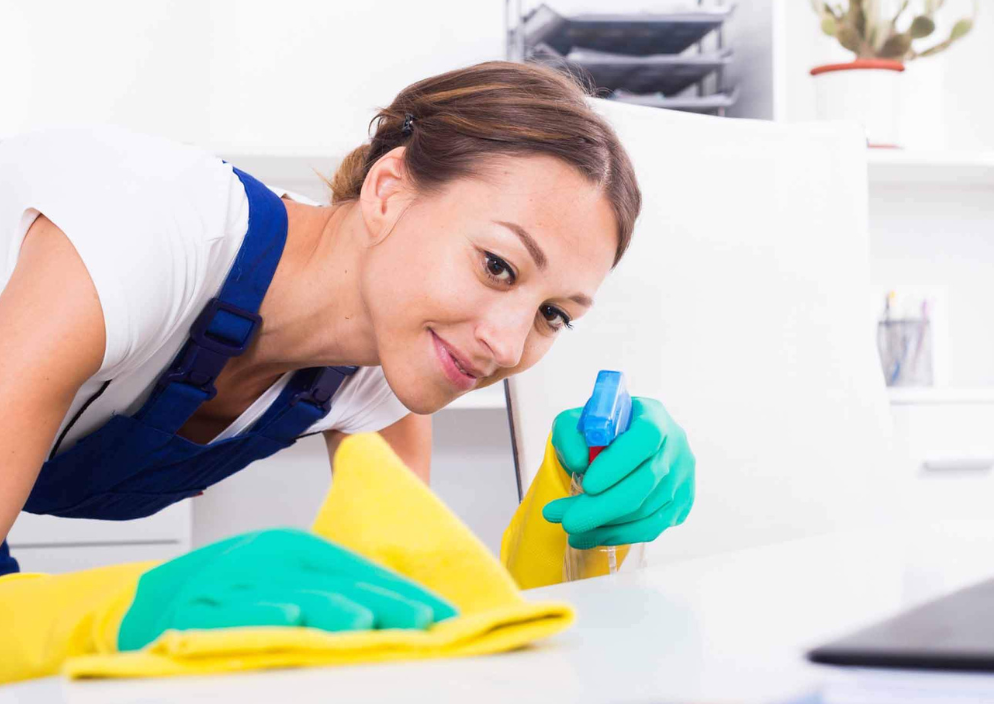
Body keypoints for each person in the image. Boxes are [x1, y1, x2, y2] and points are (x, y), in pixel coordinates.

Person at [0, 60, 694, 579]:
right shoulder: (150, 228)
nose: (505, 343)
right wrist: (128, 619)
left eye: (552, 315)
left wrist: (573, 515)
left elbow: (412, 618)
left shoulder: (381, 381)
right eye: (497, 265)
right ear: (388, 193)